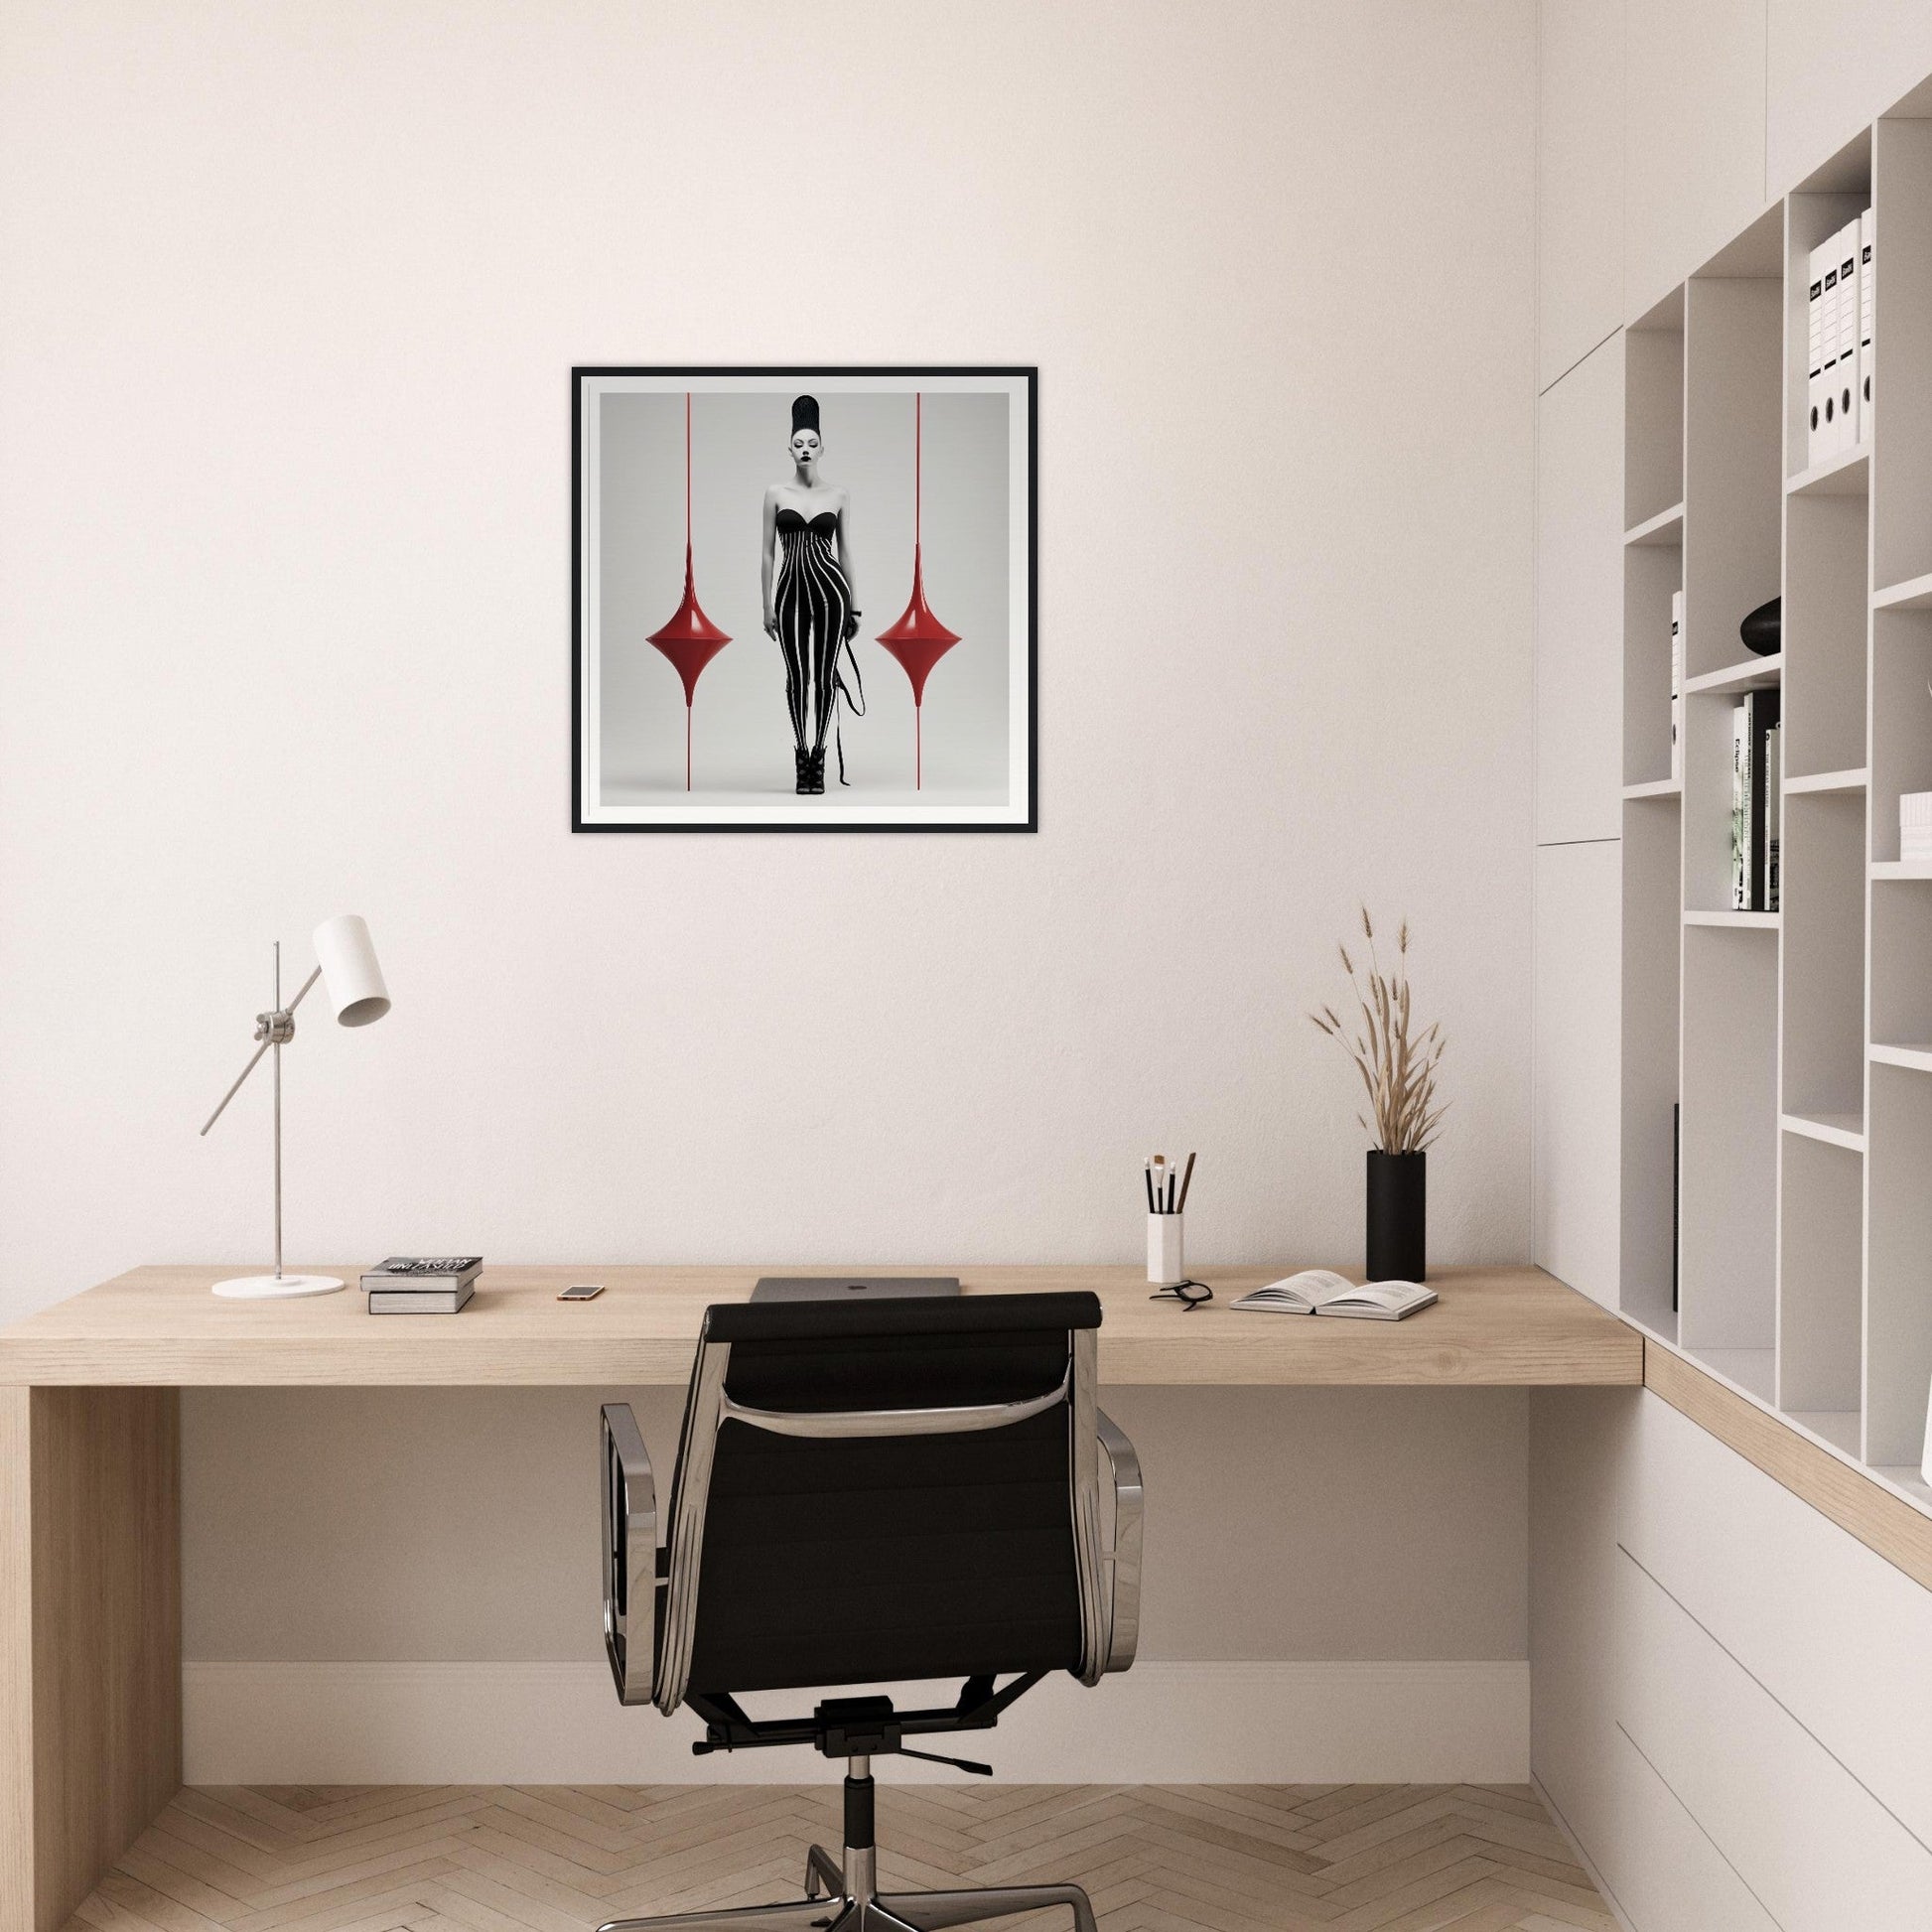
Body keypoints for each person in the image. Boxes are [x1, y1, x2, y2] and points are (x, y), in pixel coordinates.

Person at [761, 395, 864, 793]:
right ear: (789, 449)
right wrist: (765, 604)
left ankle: (817, 760)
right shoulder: (774, 493)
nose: (805, 450)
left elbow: (846, 551)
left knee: (823, 676)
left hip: (831, 594)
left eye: (812, 443)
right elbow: (768, 552)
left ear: (822, 448)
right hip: (788, 593)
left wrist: (855, 605)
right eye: (798, 444)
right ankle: (800, 754)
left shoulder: (838, 495)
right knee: (796, 676)